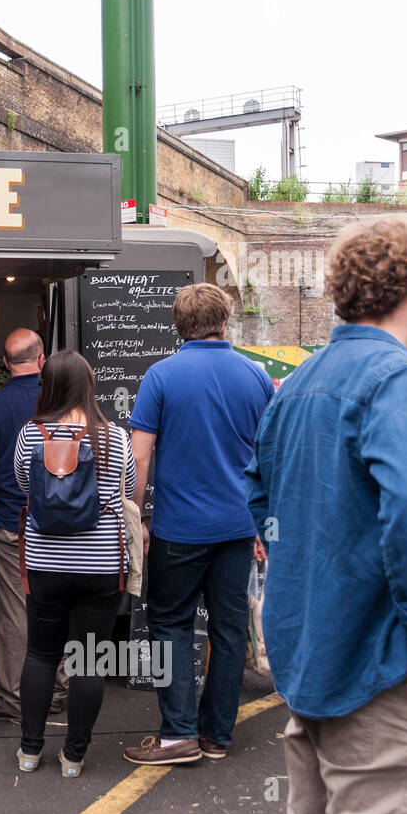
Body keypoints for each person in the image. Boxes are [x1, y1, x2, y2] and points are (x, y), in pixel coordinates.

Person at [247, 215, 407, 814]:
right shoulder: (399, 378)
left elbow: (259, 494)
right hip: (376, 669)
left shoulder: (297, 385)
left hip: (310, 656)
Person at [125, 283, 273, 766]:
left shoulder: (161, 376)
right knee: (230, 629)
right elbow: (269, 456)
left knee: (169, 622)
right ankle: (216, 737)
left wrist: (137, 515)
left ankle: (178, 735)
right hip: (237, 528)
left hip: (178, 529)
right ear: (225, 321)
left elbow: (140, 454)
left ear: (177, 325)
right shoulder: (256, 376)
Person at [12, 350, 135, 776]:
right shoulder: (115, 437)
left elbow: (24, 484)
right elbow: (129, 488)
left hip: (46, 563)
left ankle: (29, 752)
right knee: (89, 660)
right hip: (101, 566)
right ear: (89, 385)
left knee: (41, 655)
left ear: (48, 386)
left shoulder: (32, 434)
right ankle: (74, 757)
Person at [0, 328, 68, 722]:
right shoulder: (64, 400)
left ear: (5, 365)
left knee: (15, 612)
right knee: (54, 606)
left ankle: (17, 700)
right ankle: (57, 690)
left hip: (11, 526)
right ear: (42, 359)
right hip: (64, 526)